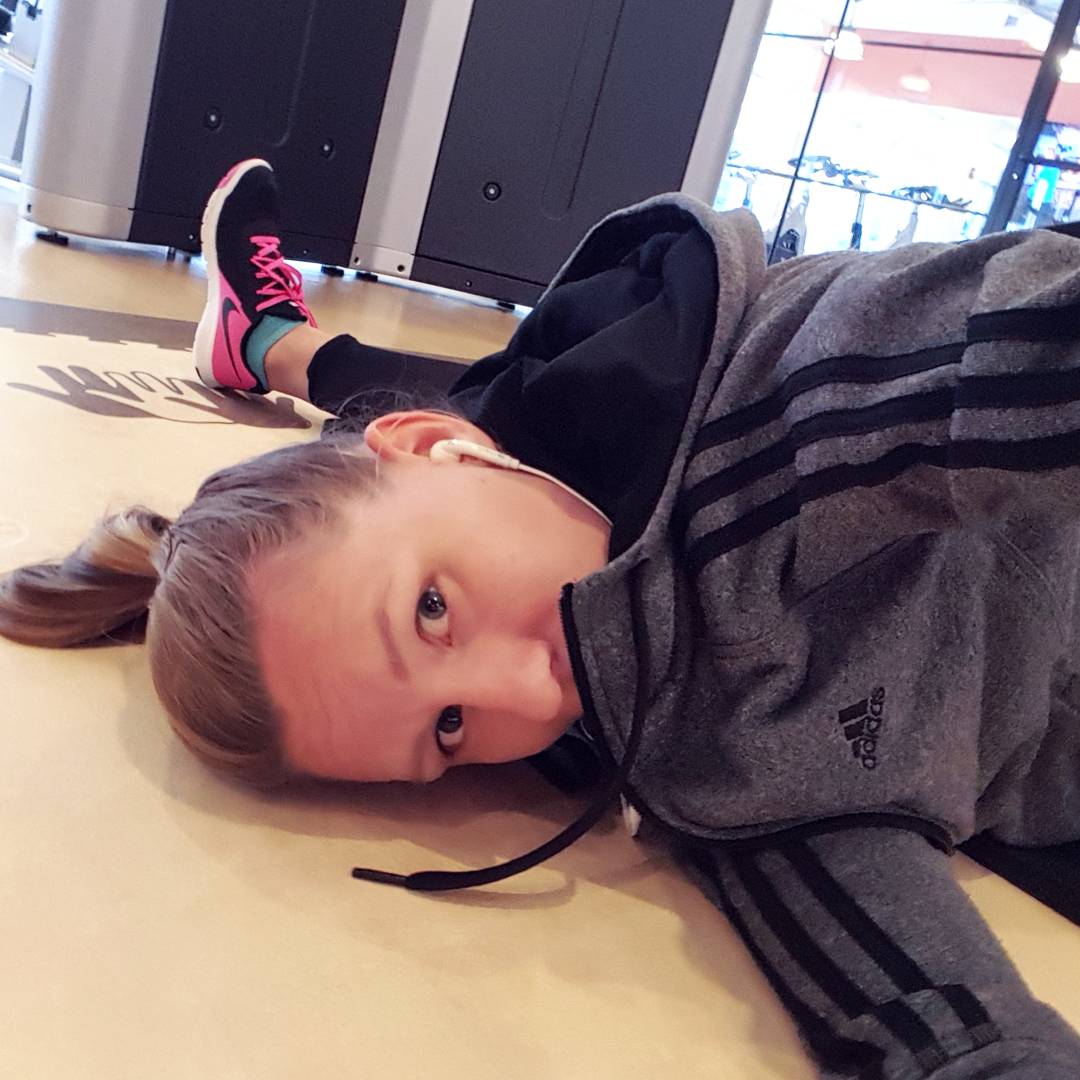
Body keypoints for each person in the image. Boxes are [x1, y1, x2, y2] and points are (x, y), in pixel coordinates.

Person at [3, 158, 1080, 1078]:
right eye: (447, 732)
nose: (527, 694)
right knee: (491, 434)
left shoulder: (785, 404)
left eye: (431, 610)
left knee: (509, 405)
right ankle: (272, 341)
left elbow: (1001, 348)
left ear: (430, 449)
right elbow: (941, 1021)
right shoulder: (703, 765)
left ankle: (277, 340)